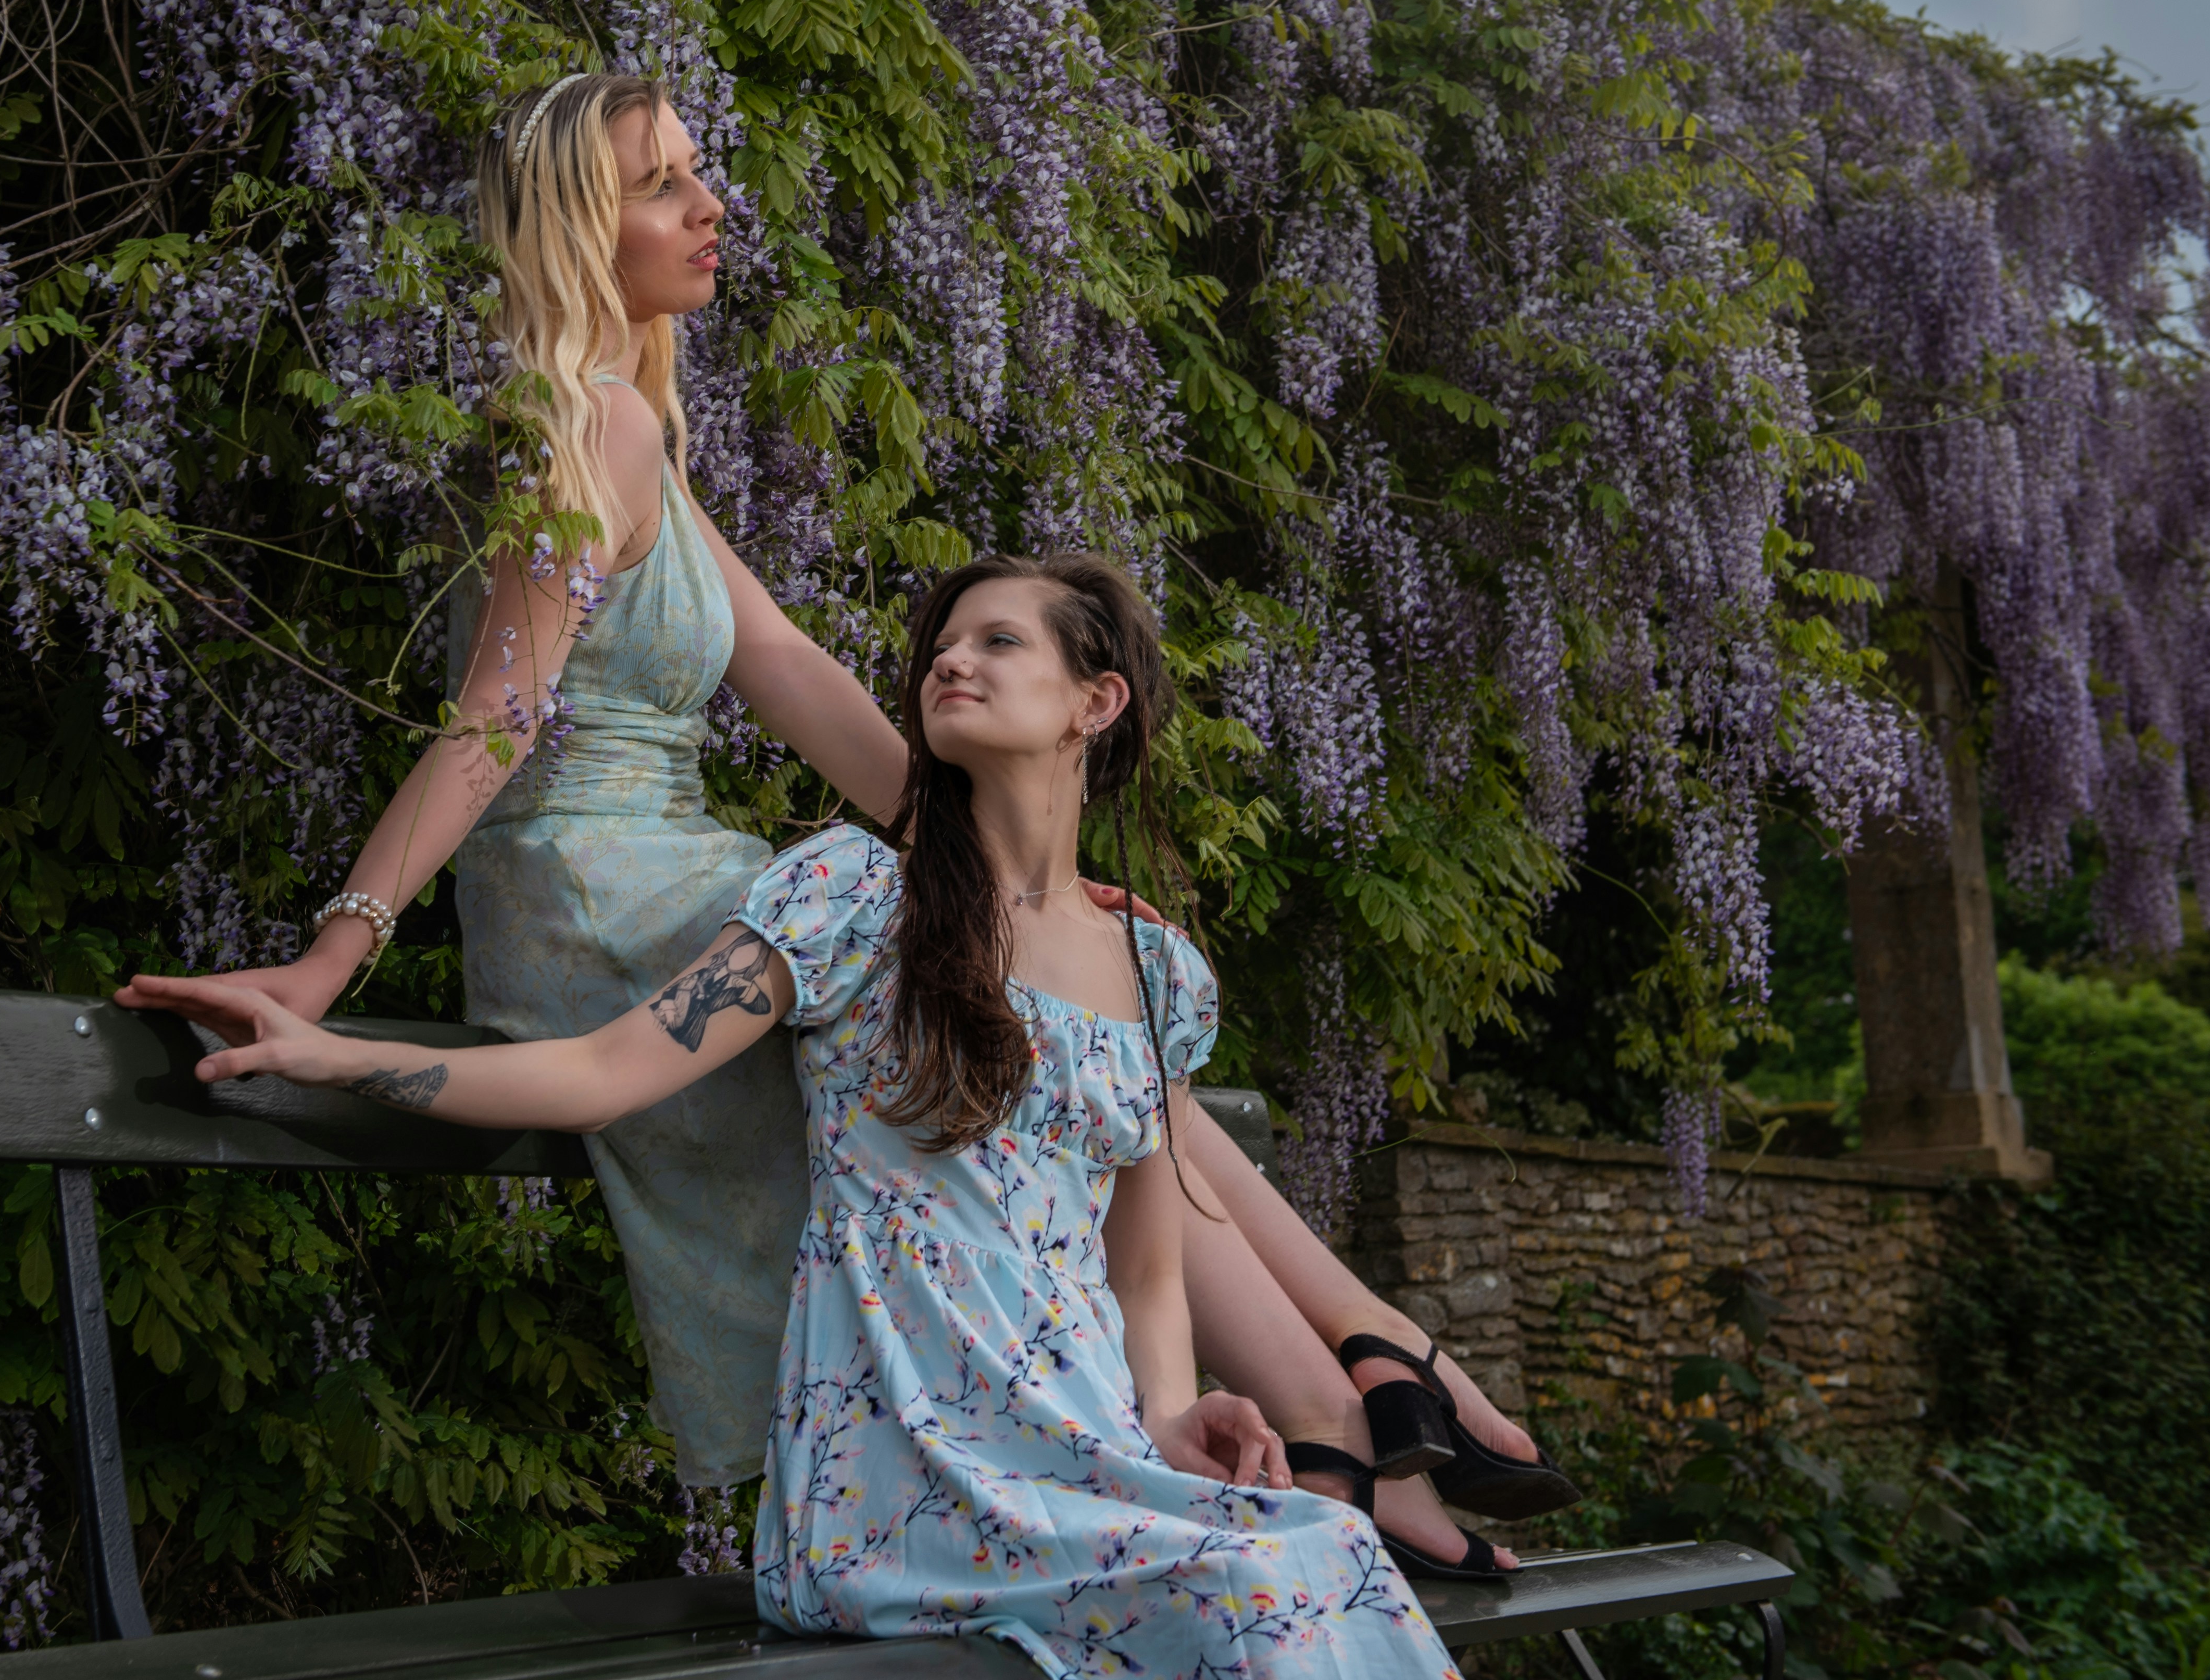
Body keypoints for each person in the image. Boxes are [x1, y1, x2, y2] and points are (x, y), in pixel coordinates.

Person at [115, 71, 1566, 1565]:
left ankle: (1362, 1381)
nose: (709, 205)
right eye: (662, 184)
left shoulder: (635, 436)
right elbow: (501, 719)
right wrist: (326, 966)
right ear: (574, 225)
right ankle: (1360, 1398)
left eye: (699, 173)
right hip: (600, 896)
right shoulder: (590, 423)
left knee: (1082, 999)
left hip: (660, 869)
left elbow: (793, 670)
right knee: (1064, 1013)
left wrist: (1015, 875)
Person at [188, 554, 1471, 1675]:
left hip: (1085, 1450)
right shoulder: (855, 896)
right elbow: (599, 1073)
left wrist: (1170, 1416)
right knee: (1266, 1588)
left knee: (1327, 1550)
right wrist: (342, 1054)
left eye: (997, 641)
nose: (949, 662)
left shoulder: (1156, 974)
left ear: (1096, 702)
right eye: (941, 646)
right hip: (900, 1465)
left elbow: (1142, 1270)